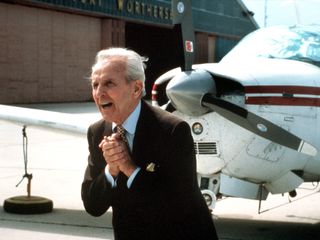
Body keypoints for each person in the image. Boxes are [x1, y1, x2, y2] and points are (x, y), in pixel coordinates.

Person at [81, 47, 218, 240]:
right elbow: (93, 206)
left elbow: (178, 206)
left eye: (109, 83)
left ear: (136, 88)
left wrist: (129, 167)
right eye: (95, 85)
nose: (98, 93)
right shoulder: (97, 132)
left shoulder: (172, 130)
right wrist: (111, 170)